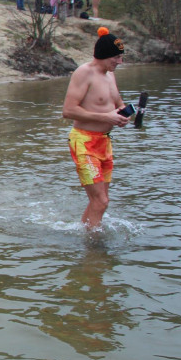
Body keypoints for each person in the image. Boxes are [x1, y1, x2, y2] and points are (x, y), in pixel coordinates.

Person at [61, 28, 129, 229]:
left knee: (101, 201)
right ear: (105, 55)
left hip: (104, 142)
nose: (119, 62)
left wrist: (123, 114)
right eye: (116, 57)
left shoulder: (110, 76)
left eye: (121, 57)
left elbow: (118, 103)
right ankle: (94, 249)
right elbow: (68, 110)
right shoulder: (84, 72)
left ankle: (85, 234)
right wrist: (106, 116)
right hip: (84, 142)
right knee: (101, 201)